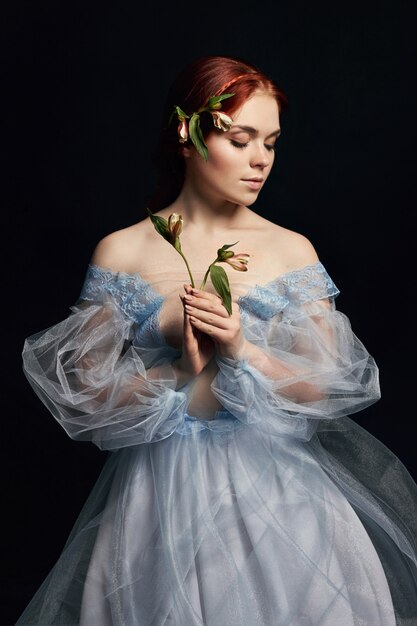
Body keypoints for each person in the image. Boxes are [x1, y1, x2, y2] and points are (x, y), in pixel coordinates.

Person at [17, 55, 417, 625]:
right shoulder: (123, 252)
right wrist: (179, 371)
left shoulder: (290, 250)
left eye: (271, 143)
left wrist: (242, 351)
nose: (260, 161)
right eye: (241, 138)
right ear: (188, 134)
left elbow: (330, 386)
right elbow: (85, 396)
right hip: (157, 498)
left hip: (283, 495)